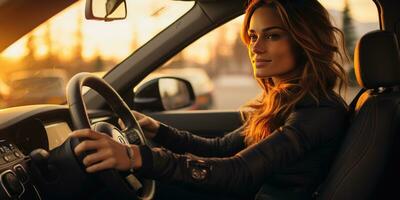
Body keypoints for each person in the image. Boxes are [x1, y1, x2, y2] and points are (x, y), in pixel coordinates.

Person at [70, 0, 349, 199]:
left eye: (272, 36)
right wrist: (157, 130)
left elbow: (239, 172)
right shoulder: (284, 102)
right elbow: (221, 148)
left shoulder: (320, 111)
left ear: (304, 40)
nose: (256, 47)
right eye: (252, 36)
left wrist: (135, 156)